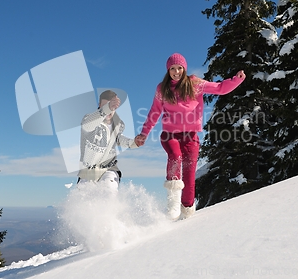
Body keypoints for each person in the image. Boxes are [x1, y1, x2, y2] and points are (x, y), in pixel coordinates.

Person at [135, 53, 245, 220]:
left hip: (191, 136)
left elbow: (220, 88)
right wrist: (144, 133)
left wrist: (236, 80)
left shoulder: (195, 84)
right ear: (168, 70)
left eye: (179, 68)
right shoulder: (162, 89)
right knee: (175, 157)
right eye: (172, 68)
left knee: (189, 173)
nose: (176, 71)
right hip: (169, 135)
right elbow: (154, 112)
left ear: (184, 69)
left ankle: (187, 210)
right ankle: (172, 205)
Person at [78, 90, 140, 192]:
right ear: (99, 105)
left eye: (112, 106)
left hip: (109, 168)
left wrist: (133, 143)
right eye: (106, 105)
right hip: (88, 170)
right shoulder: (89, 118)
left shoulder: (118, 124)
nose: (110, 109)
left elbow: (118, 139)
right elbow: (88, 126)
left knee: (108, 188)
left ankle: (109, 206)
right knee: (84, 194)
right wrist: (107, 108)